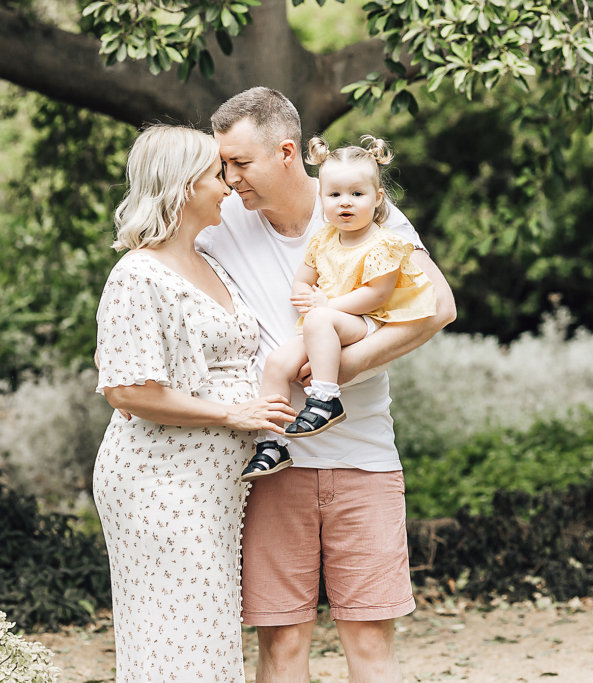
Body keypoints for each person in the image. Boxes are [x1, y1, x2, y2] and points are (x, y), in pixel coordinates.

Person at [197, 87, 457, 683]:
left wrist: (345, 365)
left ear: (286, 152)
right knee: (281, 652)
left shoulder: (358, 206)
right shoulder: (220, 219)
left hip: (364, 458)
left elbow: (438, 306)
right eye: (222, 165)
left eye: (241, 163)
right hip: (271, 464)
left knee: (370, 650)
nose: (229, 178)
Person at [92, 124, 296, 682]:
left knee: (206, 631)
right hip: (158, 481)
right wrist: (234, 414)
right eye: (215, 175)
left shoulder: (212, 262)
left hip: (214, 485)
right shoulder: (136, 274)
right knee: (173, 636)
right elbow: (128, 389)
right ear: (183, 187)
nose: (229, 186)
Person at [239, 134, 436, 481]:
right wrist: (303, 293)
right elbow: (302, 279)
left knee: (319, 321)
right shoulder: (324, 239)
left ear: (377, 198)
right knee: (277, 363)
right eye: (334, 195)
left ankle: (326, 398)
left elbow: (376, 295)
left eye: (356, 194)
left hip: (363, 323)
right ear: (322, 198)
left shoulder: (384, 243)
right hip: (324, 323)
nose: (345, 203)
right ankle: (272, 443)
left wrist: (325, 305)